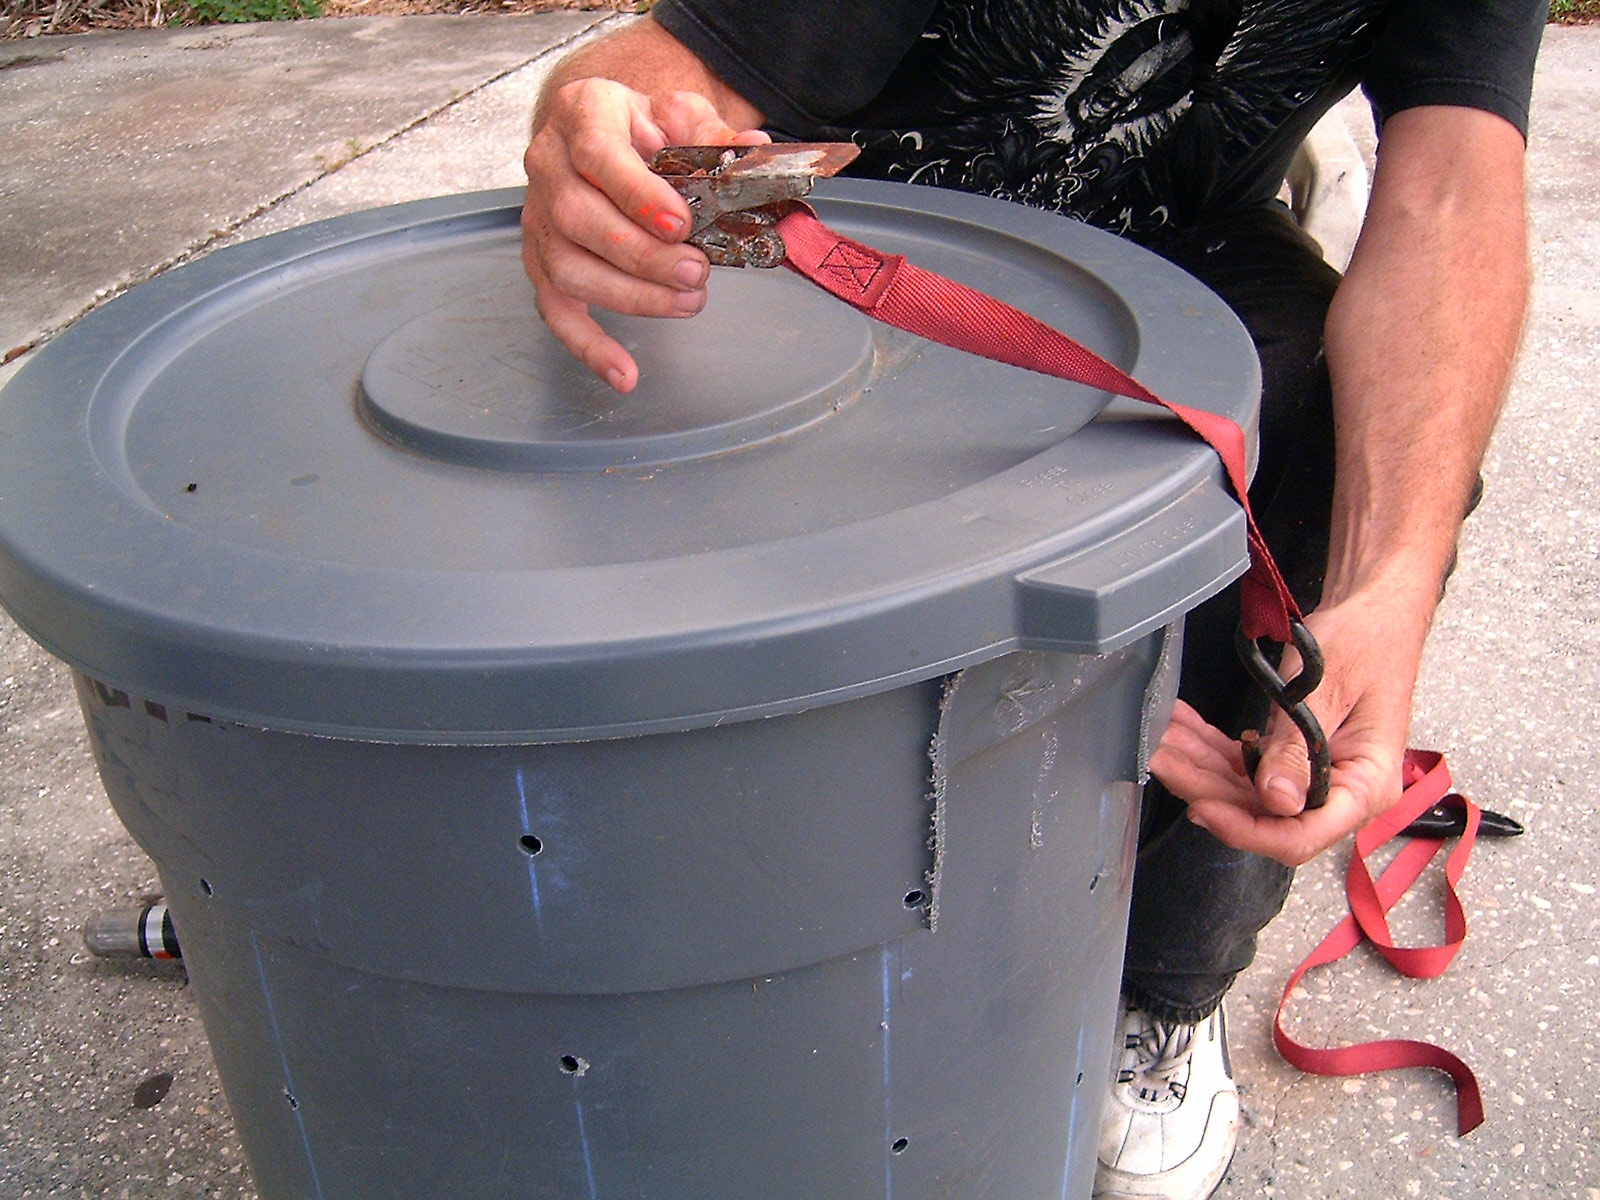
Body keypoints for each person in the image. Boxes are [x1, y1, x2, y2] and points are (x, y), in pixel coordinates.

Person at [519, 3, 1544, 1196]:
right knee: (709, 463)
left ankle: (1161, 989)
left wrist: (1389, 586)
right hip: (870, 236)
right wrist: (594, 133)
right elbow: (678, 76)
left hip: (1188, 241)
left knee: (1337, 430)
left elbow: (1453, 190)